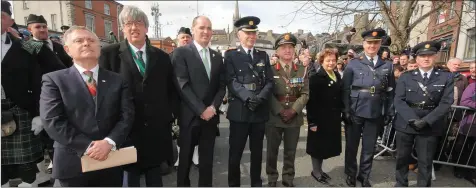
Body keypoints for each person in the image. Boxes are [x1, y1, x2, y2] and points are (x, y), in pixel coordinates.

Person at [39, 25, 134, 187]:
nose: (86, 43)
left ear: (99, 48)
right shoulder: (54, 80)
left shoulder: (118, 80)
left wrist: (109, 142)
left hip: (110, 162)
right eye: (79, 40)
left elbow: (127, 115)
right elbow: (52, 121)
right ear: (67, 50)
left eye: (91, 40)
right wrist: (88, 146)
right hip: (72, 163)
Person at [99, 6, 179, 187]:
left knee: (155, 176)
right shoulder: (109, 54)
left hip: (156, 129)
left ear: (146, 28)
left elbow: (171, 89)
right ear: (122, 28)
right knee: (130, 176)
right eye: (128, 23)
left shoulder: (161, 57)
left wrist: (170, 115)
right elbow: (105, 95)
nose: (133, 27)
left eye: (138, 23)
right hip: (126, 129)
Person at [171, 16, 226, 187]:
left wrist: (213, 107)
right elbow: (182, 85)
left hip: (210, 118)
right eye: (202, 27)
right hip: (190, 117)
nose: (206, 31)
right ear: (193, 29)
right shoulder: (181, 53)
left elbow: (221, 86)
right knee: (185, 161)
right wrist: (202, 109)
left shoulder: (217, 56)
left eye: (209, 28)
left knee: (207, 161)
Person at [393, 40, 454, 187]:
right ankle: (401, 184)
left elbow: (446, 102)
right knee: (402, 158)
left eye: (430, 55)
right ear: (417, 58)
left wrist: (427, 121)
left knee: (425, 161)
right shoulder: (406, 76)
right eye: (422, 56)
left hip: (430, 125)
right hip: (406, 123)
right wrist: (412, 119)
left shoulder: (446, 77)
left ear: (436, 56)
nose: (426, 58)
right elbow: (399, 100)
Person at [342, 28, 395, 187]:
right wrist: (345, 109)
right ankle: (350, 173)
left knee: (369, 146)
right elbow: (345, 88)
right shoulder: (353, 63)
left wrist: (389, 111)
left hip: (375, 110)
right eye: (369, 43)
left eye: (376, 43)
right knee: (352, 145)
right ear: (364, 44)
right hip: (355, 109)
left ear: (380, 44)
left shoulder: (388, 65)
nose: (372, 46)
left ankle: (364, 176)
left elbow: (391, 90)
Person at [225, 16, 274, 187]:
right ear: (239, 34)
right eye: (247, 33)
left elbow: (269, 81)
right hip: (240, 110)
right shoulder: (231, 56)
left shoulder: (263, 56)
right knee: (235, 153)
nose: (252, 36)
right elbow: (231, 81)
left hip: (259, 110)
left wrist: (260, 98)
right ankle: (234, 184)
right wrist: (247, 97)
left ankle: (256, 182)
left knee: (257, 153)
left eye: (254, 33)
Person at [1, 2, 45, 186]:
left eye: (1, 16)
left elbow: (37, 80)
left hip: (18, 109)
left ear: (10, 21)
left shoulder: (26, 46)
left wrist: (38, 113)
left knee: (26, 170)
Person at [265, 33, 309, 187]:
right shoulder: (270, 70)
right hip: (274, 117)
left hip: (294, 117)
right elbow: (267, 93)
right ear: (277, 51)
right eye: (283, 47)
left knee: (290, 152)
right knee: (272, 151)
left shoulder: (302, 70)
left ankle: (288, 178)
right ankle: (271, 178)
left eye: (290, 47)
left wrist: (293, 110)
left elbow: (305, 94)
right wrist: (280, 110)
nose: (288, 50)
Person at [306, 48, 342, 185]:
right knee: (317, 146)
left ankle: (320, 170)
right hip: (319, 118)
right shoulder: (315, 78)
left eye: (333, 60)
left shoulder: (336, 75)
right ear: (322, 61)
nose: (331, 63)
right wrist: (312, 122)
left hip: (332, 118)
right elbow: (311, 102)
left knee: (324, 146)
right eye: (328, 60)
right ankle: (315, 171)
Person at [172, 26, 198, 170]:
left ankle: (195, 155)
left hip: (195, 100)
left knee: (196, 131)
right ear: (177, 40)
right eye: (183, 37)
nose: (185, 39)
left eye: (188, 37)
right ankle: (180, 158)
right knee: (178, 132)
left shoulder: (197, 56)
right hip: (178, 101)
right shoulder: (170, 56)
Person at [452, 82, 476, 186]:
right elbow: (465, 101)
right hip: (470, 123)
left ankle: (471, 172)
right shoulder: (473, 86)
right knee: (462, 147)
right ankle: (459, 169)